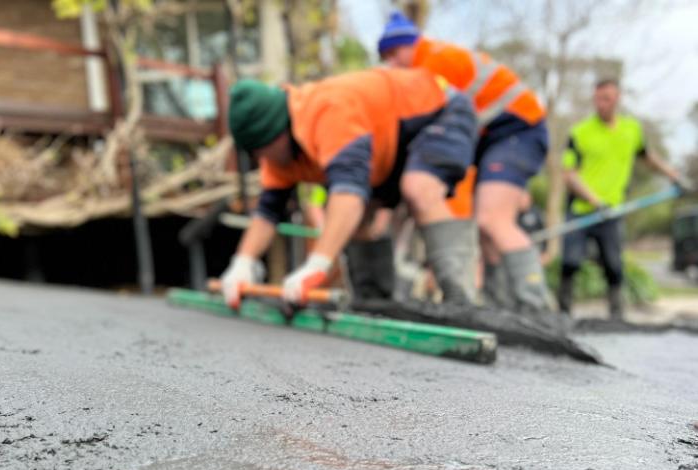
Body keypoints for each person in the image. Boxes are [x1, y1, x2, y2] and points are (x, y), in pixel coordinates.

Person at [218, 68, 477, 308]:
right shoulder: (278, 156)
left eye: (262, 151)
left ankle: (460, 298)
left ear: (276, 133)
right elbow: (268, 211)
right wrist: (243, 262)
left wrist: (317, 265)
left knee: (419, 188)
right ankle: (374, 302)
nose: (262, 160)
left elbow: (348, 195)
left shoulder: (328, 110)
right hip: (386, 143)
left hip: (439, 110)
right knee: (361, 219)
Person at [378, 11, 551, 311]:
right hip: (491, 136)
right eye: (385, 57)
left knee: (493, 219)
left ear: (411, 45)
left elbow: (444, 136)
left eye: (394, 53)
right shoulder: (429, 61)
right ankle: (501, 307)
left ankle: (536, 305)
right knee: (485, 228)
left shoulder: (433, 63)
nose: (390, 63)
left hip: (518, 128)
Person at [560, 78, 682, 318]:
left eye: (606, 98)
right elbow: (568, 175)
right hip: (581, 210)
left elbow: (647, 156)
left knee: (614, 266)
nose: (600, 104)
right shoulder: (579, 132)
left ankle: (617, 317)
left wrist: (672, 174)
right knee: (570, 263)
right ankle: (563, 315)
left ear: (617, 99)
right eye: (597, 99)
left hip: (613, 212)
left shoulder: (631, 129)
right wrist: (595, 201)